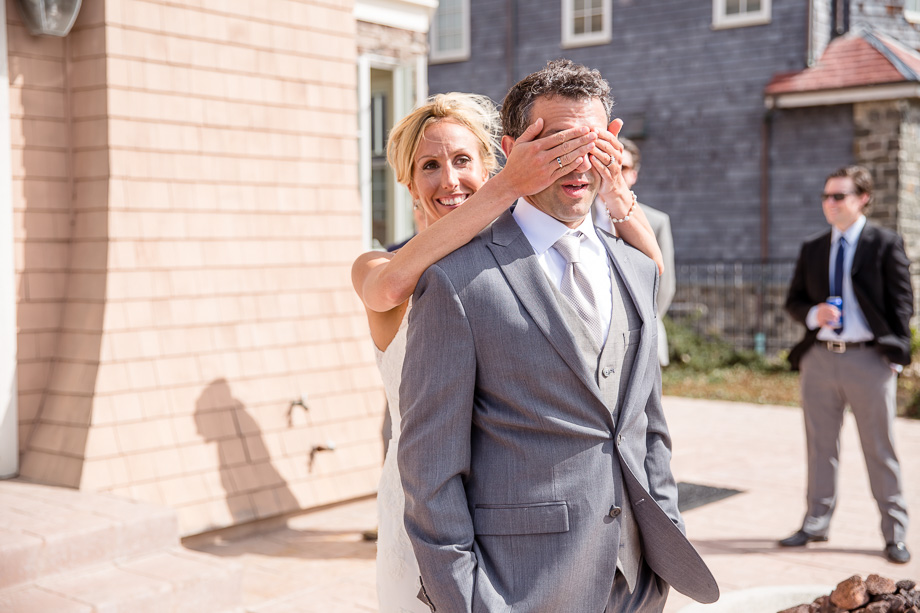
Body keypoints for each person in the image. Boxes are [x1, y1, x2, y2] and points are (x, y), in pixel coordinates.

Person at [397, 60, 718, 613]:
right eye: (558, 143)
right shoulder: (455, 281)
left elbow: (648, 430)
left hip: (636, 583)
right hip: (522, 587)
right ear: (514, 149)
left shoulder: (636, 268)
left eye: (590, 142)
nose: (577, 162)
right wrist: (469, 601)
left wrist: (661, 554)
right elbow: (430, 472)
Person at [351, 91, 664, 612]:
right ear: (407, 183)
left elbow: (647, 276)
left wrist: (614, 190)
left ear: (491, 162)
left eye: (463, 160)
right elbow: (394, 287)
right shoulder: (378, 266)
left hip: (511, 509)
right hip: (424, 503)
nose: (449, 180)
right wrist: (507, 187)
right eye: (429, 165)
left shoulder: (517, 261)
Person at [780, 165, 912, 565]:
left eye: (839, 196)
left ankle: (895, 533)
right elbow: (794, 300)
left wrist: (895, 357)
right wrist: (812, 314)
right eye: (826, 197)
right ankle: (816, 523)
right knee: (821, 447)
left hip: (869, 359)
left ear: (863, 198)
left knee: (879, 448)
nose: (830, 204)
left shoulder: (884, 243)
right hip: (820, 360)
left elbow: (903, 305)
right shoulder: (814, 247)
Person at [594, 137, 675, 366]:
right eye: (610, 163)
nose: (615, 171)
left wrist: (640, 324)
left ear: (633, 175)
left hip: (639, 335)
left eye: (624, 167)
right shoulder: (577, 214)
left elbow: (664, 285)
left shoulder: (656, 221)